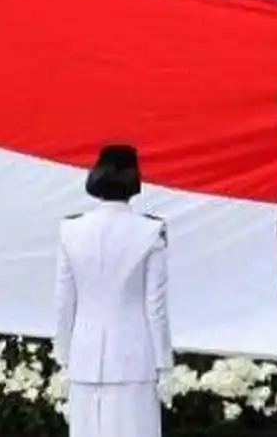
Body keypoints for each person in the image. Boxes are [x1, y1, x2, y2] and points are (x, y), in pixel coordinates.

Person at [55, 145, 171, 437]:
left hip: (84, 355)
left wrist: (63, 354)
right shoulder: (149, 231)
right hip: (134, 357)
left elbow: (64, 300)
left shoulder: (71, 229)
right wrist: (164, 365)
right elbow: (155, 306)